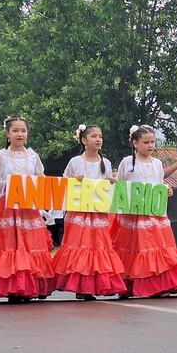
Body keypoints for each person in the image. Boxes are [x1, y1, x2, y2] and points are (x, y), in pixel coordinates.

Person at [111, 124, 177, 297]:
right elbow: (119, 185)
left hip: (154, 213)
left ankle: (157, 284)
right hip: (134, 214)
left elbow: (159, 182)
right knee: (134, 249)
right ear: (135, 143)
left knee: (156, 248)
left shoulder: (157, 163)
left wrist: (166, 189)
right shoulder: (127, 162)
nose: (150, 145)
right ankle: (128, 285)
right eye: (146, 142)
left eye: (153, 142)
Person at [0, 116, 55, 302]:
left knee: (30, 244)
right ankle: (13, 287)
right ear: (8, 134)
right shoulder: (1, 157)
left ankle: (33, 285)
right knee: (11, 245)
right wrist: (11, 184)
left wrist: (32, 188)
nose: (20, 134)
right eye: (15, 131)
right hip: (8, 208)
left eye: (23, 131)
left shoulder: (33, 156)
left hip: (29, 208)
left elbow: (41, 178)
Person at [52, 124, 127, 300]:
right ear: (84, 140)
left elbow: (109, 186)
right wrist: (73, 180)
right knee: (81, 246)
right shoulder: (75, 161)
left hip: (98, 212)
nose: (98, 139)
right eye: (93, 136)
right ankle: (81, 286)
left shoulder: (105, 163)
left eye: (100, 136)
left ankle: (95, 284)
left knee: (98, 247)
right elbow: (64, 183)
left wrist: (111, 181)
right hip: (79, 213)